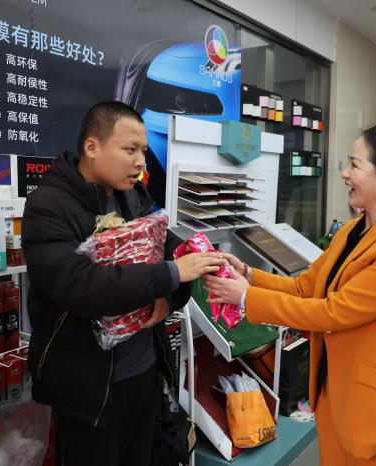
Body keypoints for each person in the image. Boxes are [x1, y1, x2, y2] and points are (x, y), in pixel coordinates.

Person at [204, 123, 376, 466]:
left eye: (354, 164)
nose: (344, 173)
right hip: (337, 389)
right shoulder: (352, 231)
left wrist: (245, 298)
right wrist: (248, 274)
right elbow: (306, 288)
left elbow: (336, 312)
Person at [21, 101, 225, 466]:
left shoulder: (133, 196)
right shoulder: (48, 206)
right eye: (130, 150)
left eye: (143, 152)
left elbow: (167, 246)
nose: (140, 162)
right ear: (92, 146)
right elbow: (81, 287)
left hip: (145, 373)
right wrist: (170, 275)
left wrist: (184, 280)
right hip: (88, 390)